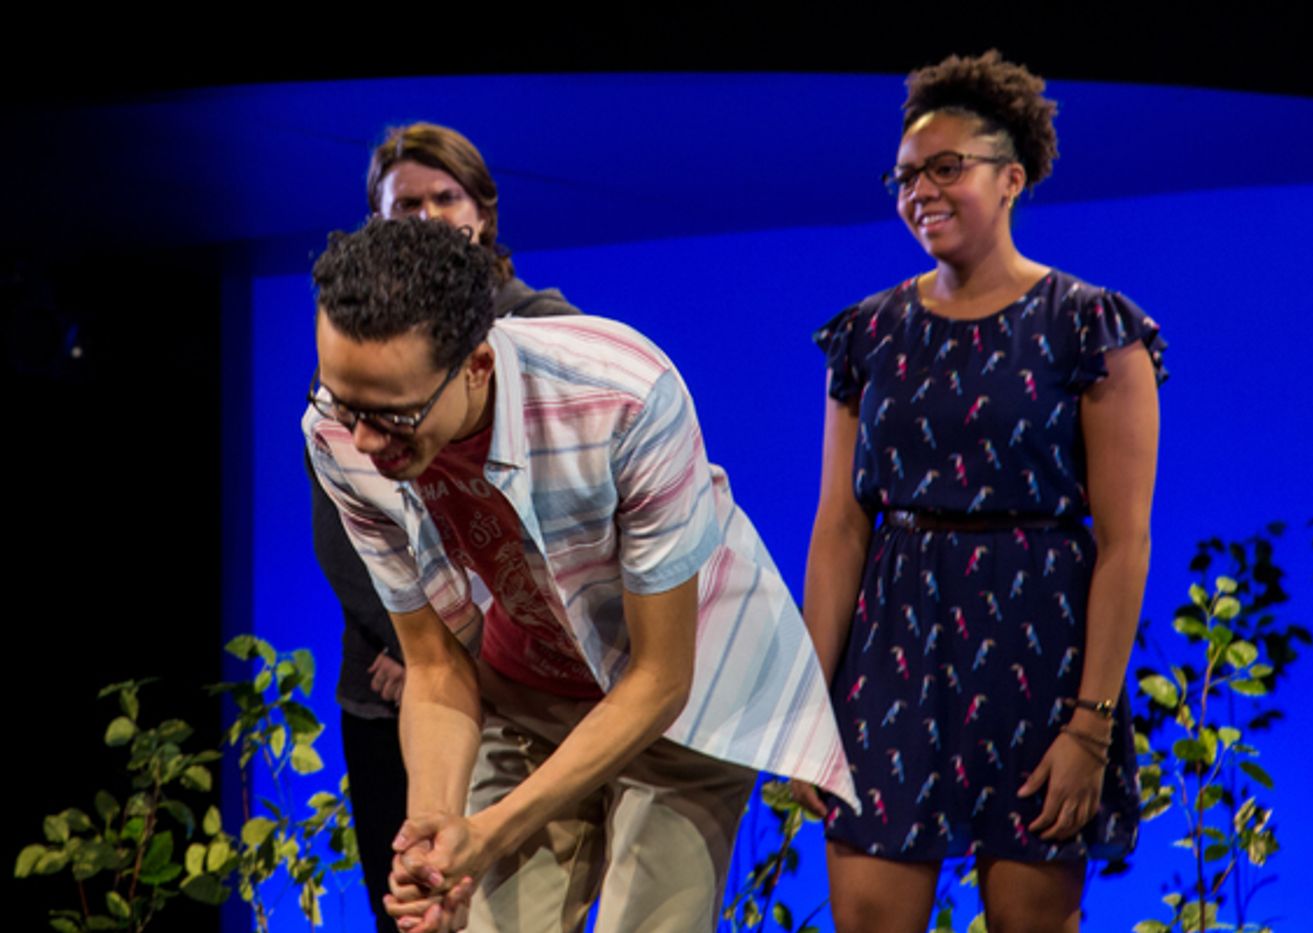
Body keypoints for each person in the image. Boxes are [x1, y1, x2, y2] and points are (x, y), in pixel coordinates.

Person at [305, 218, 856, 933]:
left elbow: (661, 676)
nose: (365, 441)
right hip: (524, 689)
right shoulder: (336, 437)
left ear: (475, 364)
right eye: (345, 403)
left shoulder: (622, 398)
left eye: (393, 415)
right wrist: (436, 837)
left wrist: (491, 831)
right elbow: (435, 664)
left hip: (684, 704)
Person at [799, 51, 1165, 932]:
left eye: (945, 168)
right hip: (893, 650)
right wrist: (806, 709)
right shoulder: (867, 333)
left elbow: (1123, 541)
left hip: (1038, 652)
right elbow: (841, 525)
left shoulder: (1089, 325)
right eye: (905, 175)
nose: (919, 189)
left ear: (1011, 178)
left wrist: (1091, 725)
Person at [307, 121, 579, 933]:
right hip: (393, 672)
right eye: (403, 206)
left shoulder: (545, 333)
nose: (424, 218)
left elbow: (554, 528)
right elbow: (345, 524)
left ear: (483, 212)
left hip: (516, 671)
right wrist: (407, 643)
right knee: (411, 894)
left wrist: (463, 647)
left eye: (443, 198)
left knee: (504, 895)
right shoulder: (357, 353)